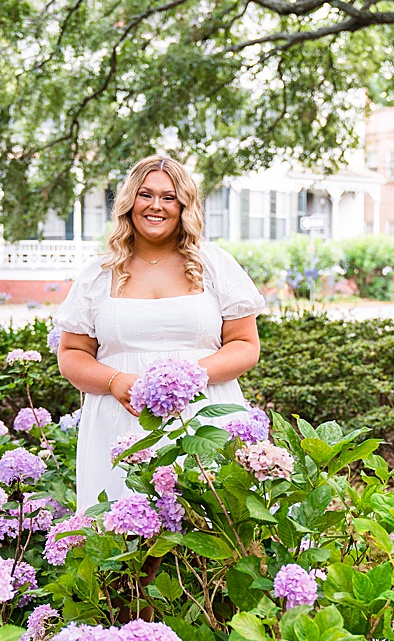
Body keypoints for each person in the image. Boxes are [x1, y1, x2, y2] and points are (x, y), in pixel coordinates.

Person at [55, 155, 264, 508]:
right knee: (124, 536)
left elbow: (245, 345)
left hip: (204, 415)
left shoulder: (213, 264)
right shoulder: (98, 274)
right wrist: (114, 381)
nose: (156, 206)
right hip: (120, 423)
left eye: (168, 197)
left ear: (184, 205)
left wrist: (189, 376)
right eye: (145, 194)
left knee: (210, 527)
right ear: (128, 202)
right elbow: (71, 354)